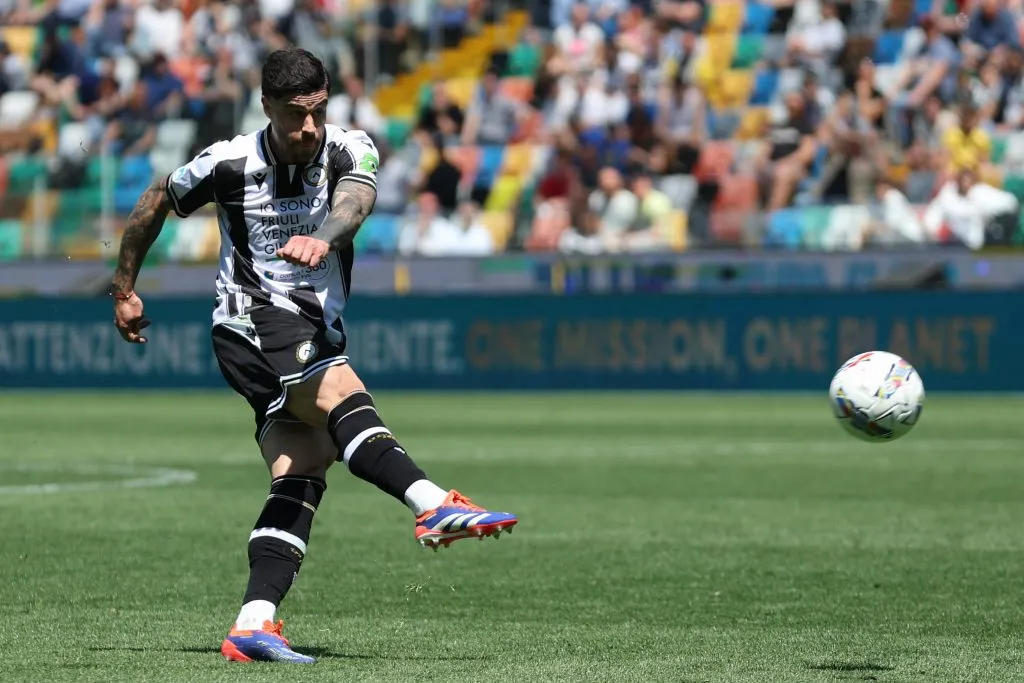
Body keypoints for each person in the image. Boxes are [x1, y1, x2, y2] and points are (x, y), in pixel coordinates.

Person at [107, 48, 518, 665]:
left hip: (312, 324)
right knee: (340, 391)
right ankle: (430, 504)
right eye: (296, 114)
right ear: (266, 106)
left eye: (318, 110)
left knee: (304, 464)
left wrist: (321, 237)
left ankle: (253, 623)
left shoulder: (350, 148)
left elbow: (354, 205)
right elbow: (156, 200)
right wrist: (125, 289)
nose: (309, 126)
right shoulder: (228, 163)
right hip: (249, 320)